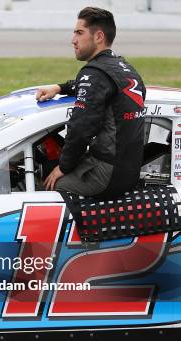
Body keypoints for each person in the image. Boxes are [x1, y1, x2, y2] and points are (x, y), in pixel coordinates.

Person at [36, 7, 146, 198]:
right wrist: (59, 88)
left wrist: (63, 167)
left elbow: (80, 128)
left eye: (79, 33)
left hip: (107, 173)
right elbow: (94, 87)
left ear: (98, 37)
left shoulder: (94, 74)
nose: (73, 40)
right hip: (128, 169)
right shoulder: (124, 68)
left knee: (43, 188)